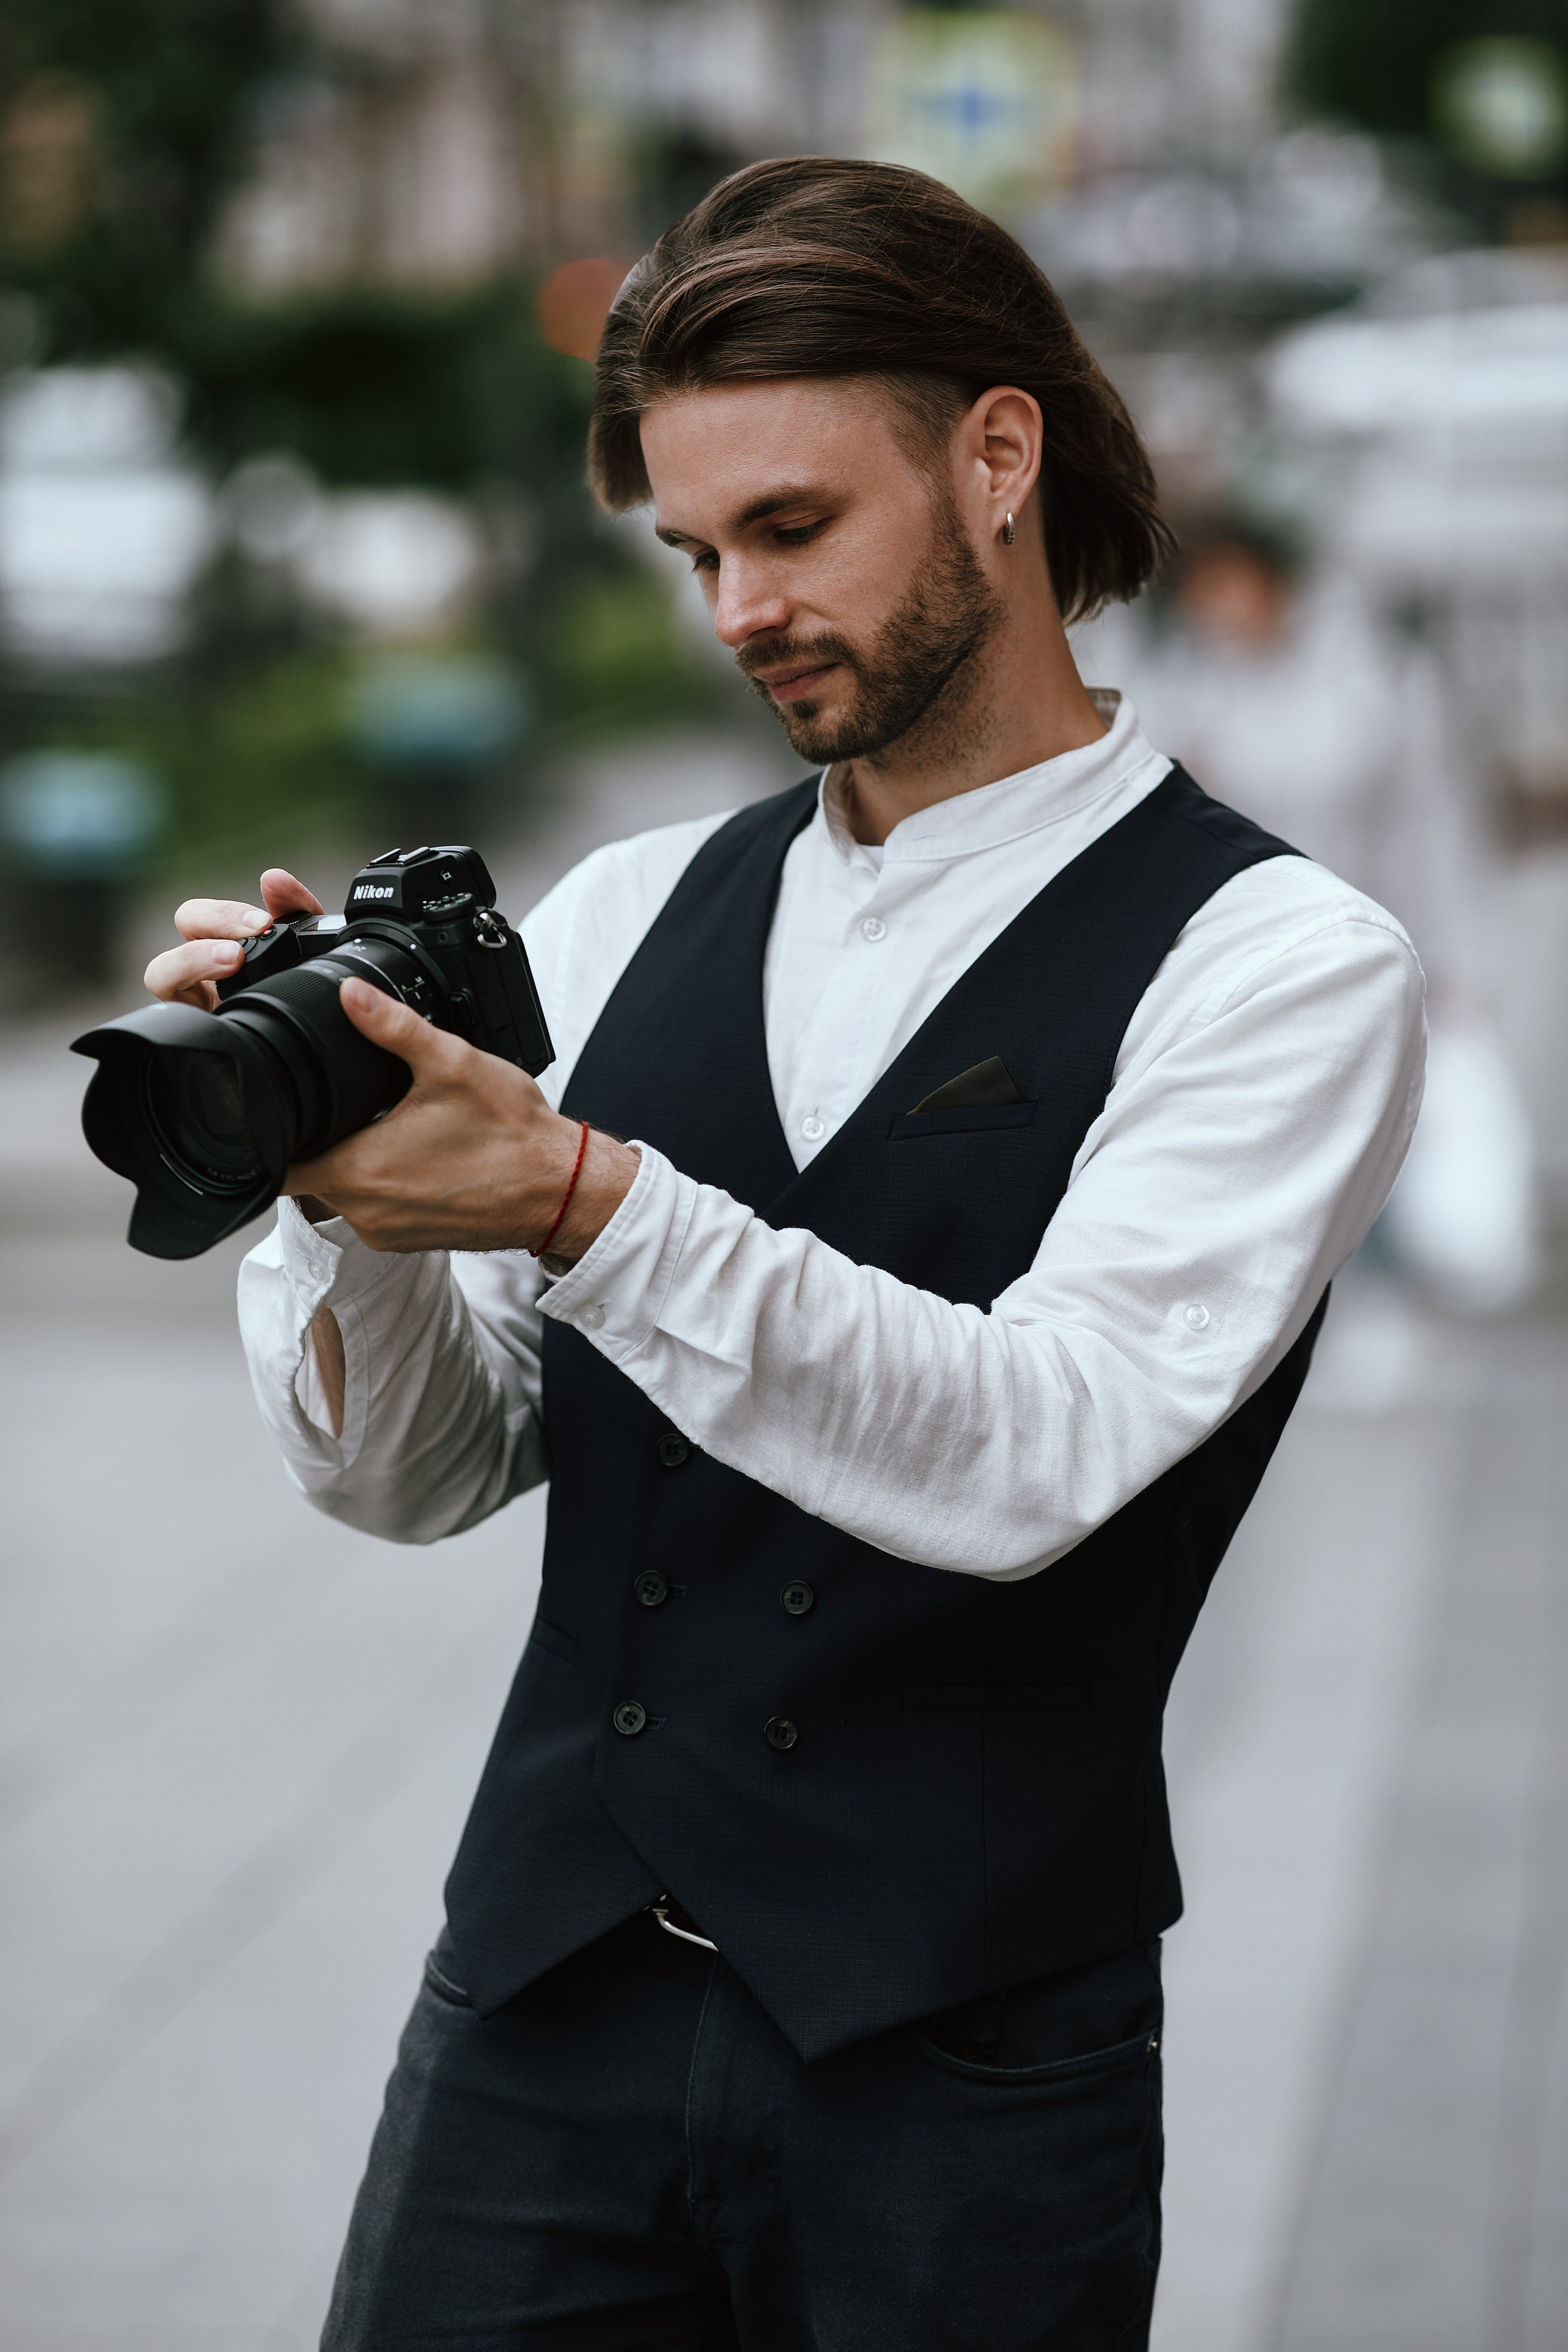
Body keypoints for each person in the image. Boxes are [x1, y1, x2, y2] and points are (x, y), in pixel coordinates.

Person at [145, 160, 1423, 2350]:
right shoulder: (632, 905)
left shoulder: (1280, 962)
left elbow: (1040, 1450)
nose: (736, 608)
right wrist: (353, 1190)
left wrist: (575, 1196)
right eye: (697, 551)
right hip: (536, 2010)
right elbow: (418, 1477)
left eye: (795, 529)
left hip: (964, 2071)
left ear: (997, 457)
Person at [1088, 521, 1537, 1313]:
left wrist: (1457, 953)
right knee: (1274, 1124)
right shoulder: (1188, 684)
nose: (1219, 609)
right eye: (1204, 594)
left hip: (1373, 931)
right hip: (1249, 948)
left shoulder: (1376, 678)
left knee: (1371, 1114)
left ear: (1273, 583)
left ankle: (1384, 1289)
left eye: (1232, 586)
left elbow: (1430, 821)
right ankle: (1288, 1301)